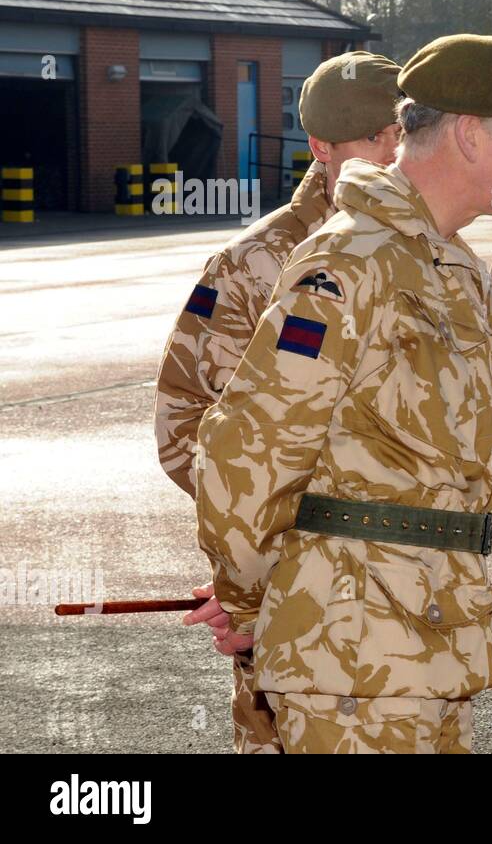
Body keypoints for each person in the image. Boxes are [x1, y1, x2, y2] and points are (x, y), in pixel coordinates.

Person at [194, 34, 492, 753]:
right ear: (467, 135)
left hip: (429, 641)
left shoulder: (452, 270)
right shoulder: (349, 260)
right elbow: (248, 453)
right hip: (352, 654)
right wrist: (247, 596)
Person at [154, 50, 401, 753]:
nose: (392, 152)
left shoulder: (428, 255)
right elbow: (184, 426)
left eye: (401, 132)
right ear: (321, 148)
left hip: (403, 595)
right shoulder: (254, 265)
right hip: (287, 590)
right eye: (372, 138)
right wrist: (265, 561)